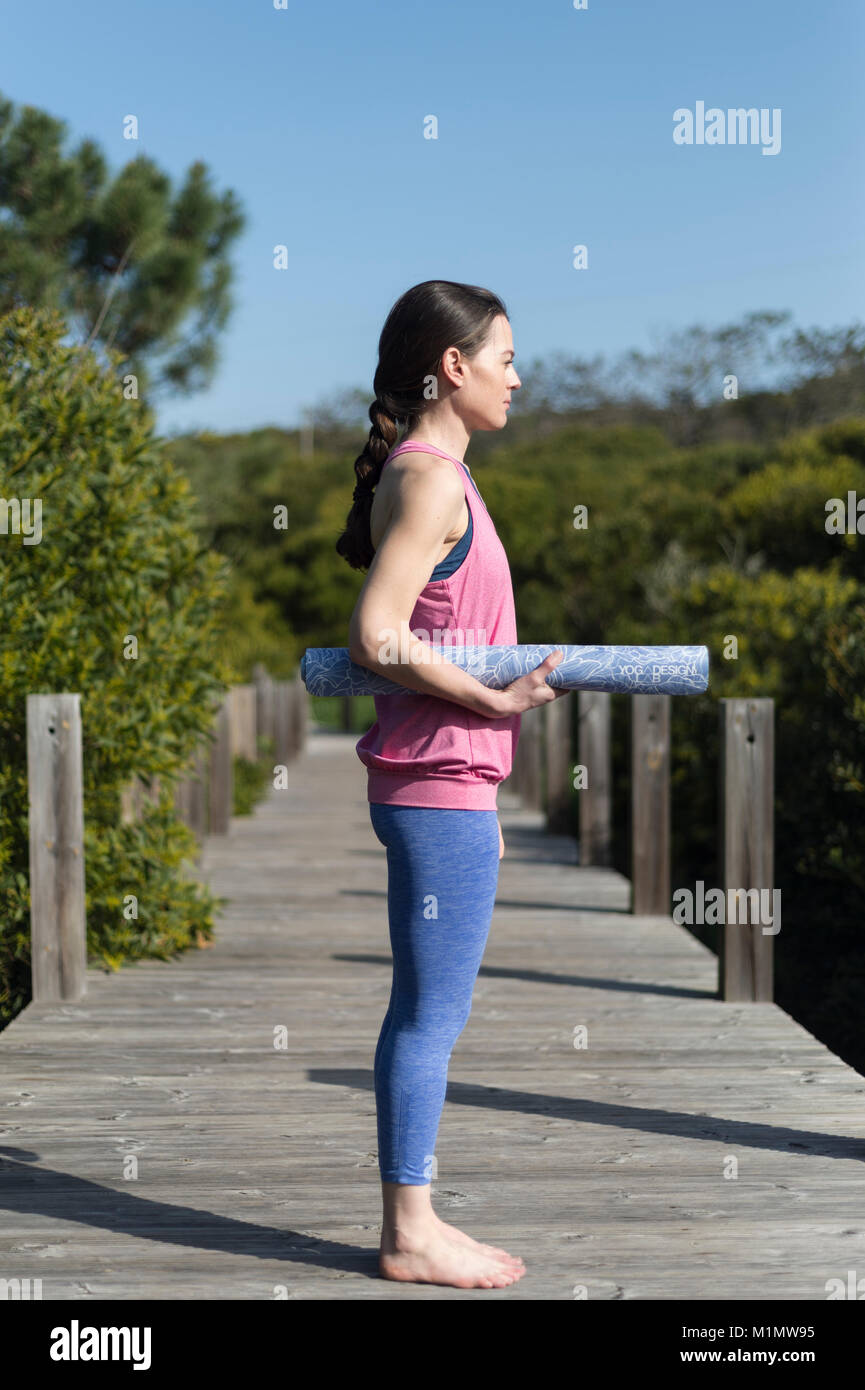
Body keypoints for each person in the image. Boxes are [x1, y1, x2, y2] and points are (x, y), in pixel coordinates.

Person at [336, 280, 566, 1289]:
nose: (519, 375)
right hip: (436, 784)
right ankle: (411, 1230)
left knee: (426, 1009)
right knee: (431, 1016)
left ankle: (417, 1218)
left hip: (442, 787)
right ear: (454, 367)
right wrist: (495, 704)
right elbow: (377, 635)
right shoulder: (430, 482)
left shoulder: (431, 476)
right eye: (505, 356)